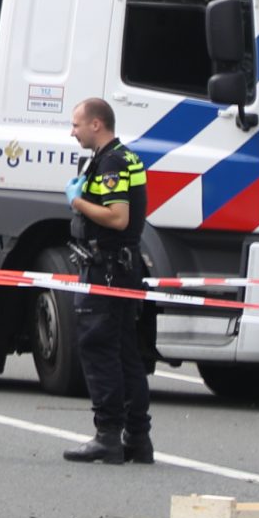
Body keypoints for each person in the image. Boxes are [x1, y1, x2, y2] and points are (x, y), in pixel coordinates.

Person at [62, 97, 153, 465]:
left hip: (109, 268)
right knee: (126, 353)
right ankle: (137, 438)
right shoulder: (125, 157)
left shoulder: (113, 161)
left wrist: (78, 202)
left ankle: (108, 436)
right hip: (123, 267)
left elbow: (117, 217)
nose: (73, 132)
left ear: (96, 124)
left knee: (98, 349)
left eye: (76, 125)